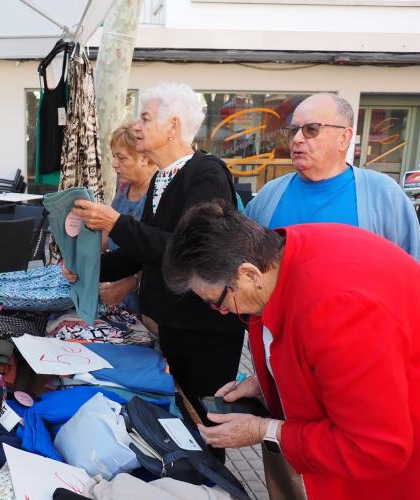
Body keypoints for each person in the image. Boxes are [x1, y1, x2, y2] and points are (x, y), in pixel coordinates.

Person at [162, 200, 420, 500]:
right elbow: (322, 360)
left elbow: (375, 447)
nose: (220, 311)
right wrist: (266, 382)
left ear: (249, 275)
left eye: (216, 301)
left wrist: (264, 430)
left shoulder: (339, 311)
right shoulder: (277, 254)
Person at [63, 83, 245, 435]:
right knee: (179, 413)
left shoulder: (206, 173)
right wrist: (88, 268)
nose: (137, 126)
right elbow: (143, 253)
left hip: (205, 327)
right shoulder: (163, 177)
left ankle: (205, 471)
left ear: (173, 126)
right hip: (174, 323)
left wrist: (116, 223)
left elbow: (190, 248)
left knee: (205, 421)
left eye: (145, 118)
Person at [246, 92, 420, 260]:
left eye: (311, 129)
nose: (297, 139)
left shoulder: (384, 196)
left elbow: (411, 269)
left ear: (344, 138)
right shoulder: (267, 196)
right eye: (293, 130)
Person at [99, 123, 157, 313]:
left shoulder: (158, 194)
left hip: (146, 301)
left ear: (144, 157)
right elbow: (108, 235)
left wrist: (130, 283)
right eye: (114, 156)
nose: (114, 163)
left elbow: (156, 251)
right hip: (118, 295)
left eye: (121, 157)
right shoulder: (124, 187)